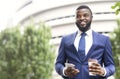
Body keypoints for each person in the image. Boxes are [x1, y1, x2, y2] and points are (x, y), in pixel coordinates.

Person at [55, 5, 115, 79]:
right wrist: (64, 71)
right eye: (78, 16)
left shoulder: (104, 40)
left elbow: (111, 66)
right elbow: (58, 64)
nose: (81, 18)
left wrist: (103, 71)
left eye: (85, 15)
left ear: (91, 18)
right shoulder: (65, 40)